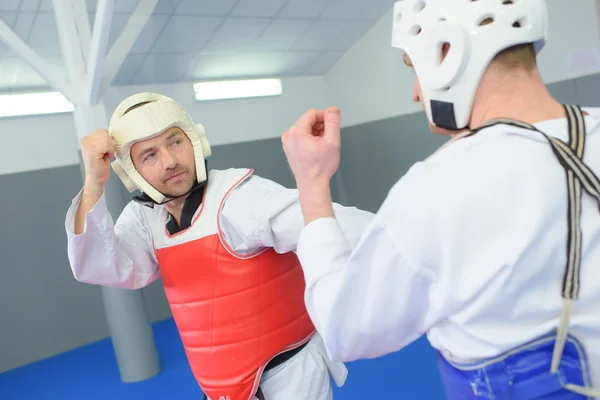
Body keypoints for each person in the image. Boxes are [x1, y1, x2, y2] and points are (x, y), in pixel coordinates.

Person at [281, 0, 600, 398]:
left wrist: (311, 183)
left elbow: (345, 330)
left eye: (413, 70)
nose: (416, 94)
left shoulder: (438, 186)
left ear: (447, 51)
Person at [64, 92, 373, 400]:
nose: (171, 161)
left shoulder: (237, 198)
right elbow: (103, 266)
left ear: (195, 140)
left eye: (175, 142)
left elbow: (328, 224)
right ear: (131, 173)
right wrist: (94, 185)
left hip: (290, 381)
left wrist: (405, 238)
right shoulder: (145, 219)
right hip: (222, 389)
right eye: (150, 155)